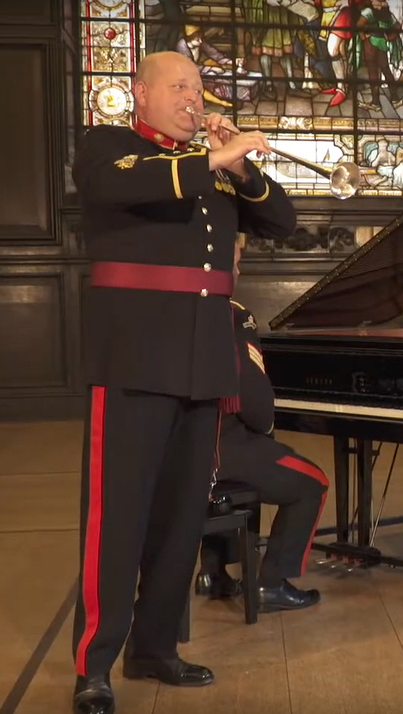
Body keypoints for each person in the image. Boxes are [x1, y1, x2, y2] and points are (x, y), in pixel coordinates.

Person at [70, 51, 297, 714]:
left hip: (203, 365)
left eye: (198, 88)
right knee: (116, 519)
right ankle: (95, 665)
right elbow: (125, 186)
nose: (193, 99)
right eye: (178, 87)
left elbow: (281, 221)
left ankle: (156, 647)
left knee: (178, 521)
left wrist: (241, 163)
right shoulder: (111, 147)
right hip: (134, 360)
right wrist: (211, 161)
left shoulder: (216, 169)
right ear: (139, 93)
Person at [194, 237, 329, 612]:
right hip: (224, 450)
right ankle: (272, 583)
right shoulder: (233, 316)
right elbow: (258, 407)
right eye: (235, 263)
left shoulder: (174, 313)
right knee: (312, 482)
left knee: (243, 476)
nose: (238, 271)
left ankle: (213, 573)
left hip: (182, 451)